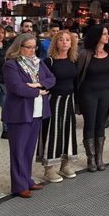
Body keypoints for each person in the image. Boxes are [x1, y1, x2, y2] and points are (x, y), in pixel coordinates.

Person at [2, 33, 56, 198]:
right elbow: (17, 87)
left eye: (34, 47)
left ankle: (27, 180)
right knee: (18, 150)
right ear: (19, 47)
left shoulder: (38, 62)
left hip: (37, 111)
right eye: (29, 47)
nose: (32, 50)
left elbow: (51, 79)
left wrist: (37, 84)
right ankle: (18, 185)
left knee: (29, 149)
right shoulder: (11, 65)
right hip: (19, 113)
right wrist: (38, 91)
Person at [76, 25, 109, 172]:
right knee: (90, 124)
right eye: (105, 34)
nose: (108, 36)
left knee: (101, 123)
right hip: (88, 93)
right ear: (97, 36)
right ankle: (90, 157)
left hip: (105, 93)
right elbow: (78, 75)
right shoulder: (84, 54)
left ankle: (99, 157)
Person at [38, 30, 78, 183]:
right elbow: (43, 81)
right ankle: (49, 169)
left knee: (68, 132)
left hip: (69, 100)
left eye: (68, 40)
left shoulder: (73, 60)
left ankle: (65, 164)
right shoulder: (49, 61)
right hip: (53, 100)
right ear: (55, 43)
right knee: (52, 132)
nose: (65, 42)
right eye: (61, 40)